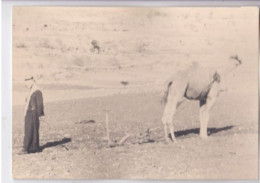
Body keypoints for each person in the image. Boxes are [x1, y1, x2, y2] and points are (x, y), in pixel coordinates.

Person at [19, 76, 44, 154]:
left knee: (31, 130)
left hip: (33, 114)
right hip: (29, 113)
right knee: (29, 130)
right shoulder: (31, 91)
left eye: (26, 83)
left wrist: (39, 114)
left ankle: (27, 148)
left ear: (31, 82)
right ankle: (32, 148)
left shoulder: (37, 91)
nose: (26, 85)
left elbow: (40, 104)